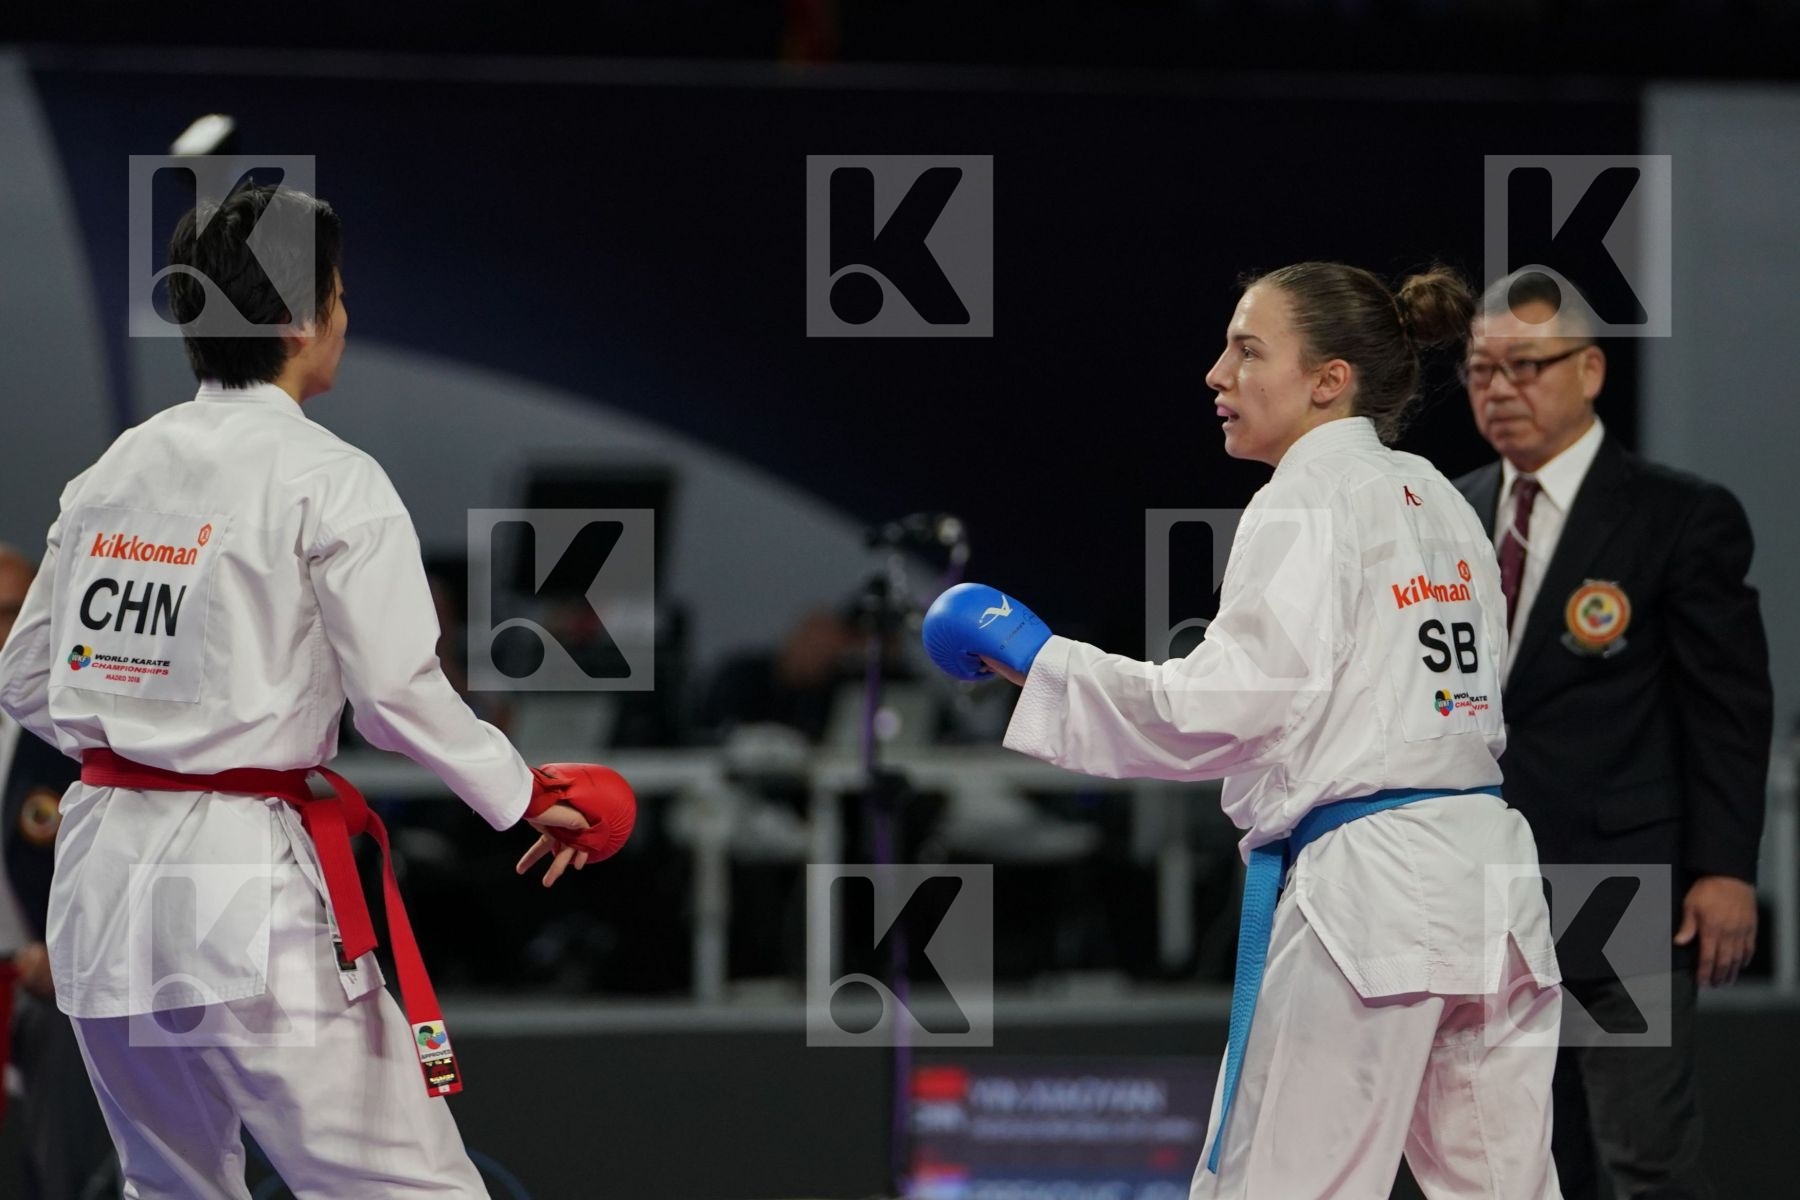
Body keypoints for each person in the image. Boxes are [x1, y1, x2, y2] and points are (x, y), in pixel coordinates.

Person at [0, 183, 635, 1199]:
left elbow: (26, 678)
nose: (344, 311)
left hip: (100, 881)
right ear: (302, 318)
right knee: (411, 1189)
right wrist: (527, 797)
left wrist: (150, 729)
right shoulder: (328, 478)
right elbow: (393, 695)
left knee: (169, 1190)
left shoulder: (117, 467)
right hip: (238, 884)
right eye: (337, 291)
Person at [923, 262, 1564, 1198]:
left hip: (1372, 896)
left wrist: (1040, 658)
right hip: (1492, 891)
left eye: (1247, 350)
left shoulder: (1306, 497)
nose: (1216, 375)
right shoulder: (1448, 504)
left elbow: (1228, 708)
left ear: (1328, 379)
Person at [1453, 272, 1771, 1200]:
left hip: (1622, 881)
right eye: (1480, 371)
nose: (1500, 389)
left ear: (1589, 371)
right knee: (1500, 1155)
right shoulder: (1447, 515)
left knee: (1644, 1152)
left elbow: (1729, 709)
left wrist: (1725, 868)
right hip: (1477, 881)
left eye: (1526, 366)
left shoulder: (1677, 516)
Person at [0, 545, 116, 1199]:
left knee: (55, 1166)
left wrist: (63, 944)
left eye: (16, 614)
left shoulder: (72, 729)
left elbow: (107, 853)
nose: (4, 632)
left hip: (40, 969)